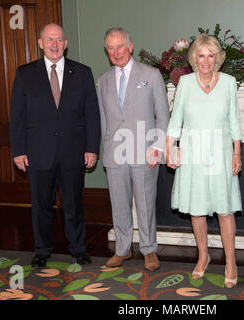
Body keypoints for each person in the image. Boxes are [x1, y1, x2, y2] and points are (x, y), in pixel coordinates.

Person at [9, 23, 101, 268]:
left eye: (59, 40)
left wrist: (92, 148)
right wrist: (18, 150)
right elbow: (17, 116)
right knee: (41, 206)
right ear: (41, 43)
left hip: (73, 152)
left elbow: (92, 115)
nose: (54, 44)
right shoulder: (25, 74)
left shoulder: (82, 73)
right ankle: (42, 250)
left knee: (73, 205)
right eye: (49, 39)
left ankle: (78, 249)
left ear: (66, 44)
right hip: (38, 153)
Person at [165, 34, 243, 288]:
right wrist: (170, 150)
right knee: (197, 209)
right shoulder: (185, 83)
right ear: (194, 59)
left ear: (218, 58)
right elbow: (175, 120)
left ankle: (231, 261)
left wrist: (236, 152)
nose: (206, 60)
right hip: (193, 154)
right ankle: (203, 256)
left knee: (225, 209)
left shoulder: (229, 82)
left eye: (211, 55)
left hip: (221, 154)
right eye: (201, 55)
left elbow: (234, 121)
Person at [97, 28, 169, 271]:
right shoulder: (104, 79)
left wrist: (158, 146)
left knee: (146, 203)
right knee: (119, 204)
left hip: (145, 152)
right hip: (115, 153)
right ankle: (122, 249)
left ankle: (149, 249)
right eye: (111, 48)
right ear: (107, 50)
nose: (116, 52)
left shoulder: (151, 74)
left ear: (130, 46)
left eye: (120, 46)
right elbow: (103, 119)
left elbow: (163, 115)